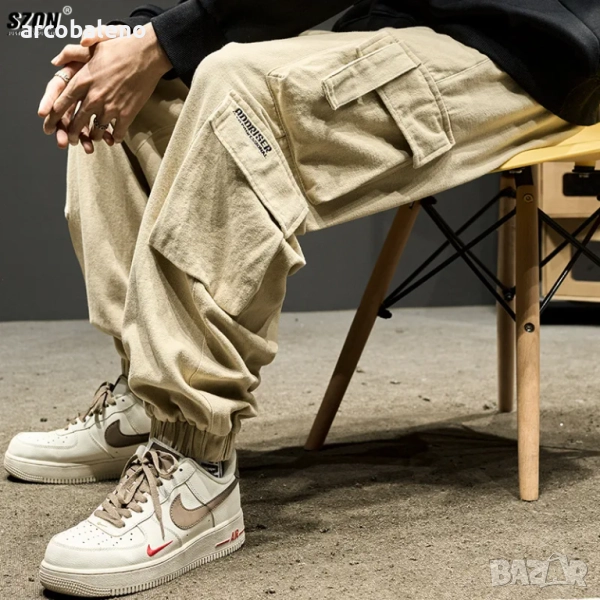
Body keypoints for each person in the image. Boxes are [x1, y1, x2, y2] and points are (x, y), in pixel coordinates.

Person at [4, 0, 599, 596]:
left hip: (527, 47)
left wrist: (161, 41)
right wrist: (141, 35)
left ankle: (196, 459)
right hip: (401, 18)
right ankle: (146, 395)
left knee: (237, 91)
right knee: (125, 92)